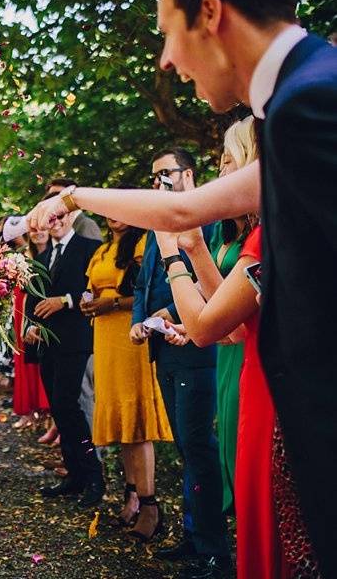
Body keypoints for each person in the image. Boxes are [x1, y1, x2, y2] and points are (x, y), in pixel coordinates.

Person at [27, 0, 336, 573]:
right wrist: (71, 196)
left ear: (212, 13)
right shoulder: (302, 94)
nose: (166, 58)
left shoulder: (313, 99)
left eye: (168, 30)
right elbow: (184, 212)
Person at [155, 223, 321, 578]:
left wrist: (172, 254)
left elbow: (209, 329)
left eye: (230, 164)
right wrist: (197, 248)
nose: (223, 175)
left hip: (276, 388)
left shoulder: (270, 233)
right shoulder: (276, 228)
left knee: (277, 519)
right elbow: (234, 328)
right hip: (258, 372)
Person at [130, 148, 228, 575]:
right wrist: (139, 321)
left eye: (164, 175)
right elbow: (144, 281)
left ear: (188, 174)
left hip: (197, 349)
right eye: (154, 178)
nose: (158, 184)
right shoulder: (159, 224)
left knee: (199, 447)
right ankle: (193, 536)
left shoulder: (206, 218)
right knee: (187, 449)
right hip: (162, 349)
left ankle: (214, 550)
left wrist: (166, 314)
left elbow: (210, 283)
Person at [81, 208, 173, 541]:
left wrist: (113, 305)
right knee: (122, 422)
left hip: (130, 335)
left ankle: (151, 506)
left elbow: (147, 295)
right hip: (104, 337)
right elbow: (91, 288)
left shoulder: (144, 243)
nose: (114, 216)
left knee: (137, 422)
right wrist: (88, 302)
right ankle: (131, 493)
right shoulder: (103, 250)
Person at [26, 204, 104, 508]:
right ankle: (74, 474)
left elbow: (95, 291)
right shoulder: (43, 257)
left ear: (71, 216)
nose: (55, 221)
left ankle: (94, 476)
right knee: (59, 408)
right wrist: (33, 326)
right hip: (49, 345)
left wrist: (67, 301)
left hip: (77, 339)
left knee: (71, 407)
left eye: (60, 216)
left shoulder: (90, 248)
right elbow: (34, 301)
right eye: (51, 217)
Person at [207, 116, 258, 516]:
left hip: (252, 350)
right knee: (229, 444)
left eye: (227, 160)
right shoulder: (224, 232)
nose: (221, 170)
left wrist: (181, 249)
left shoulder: (261, 238)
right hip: (229, 347)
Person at [12, 227, 50, 431]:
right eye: (33, 230)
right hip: (22, 310)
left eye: (42, 229)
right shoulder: (23, 256)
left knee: (44, 364)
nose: (38, 233)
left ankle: (48, 416)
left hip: (44, 310)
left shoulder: (55, 254)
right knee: (24, 362)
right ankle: (29, 411)